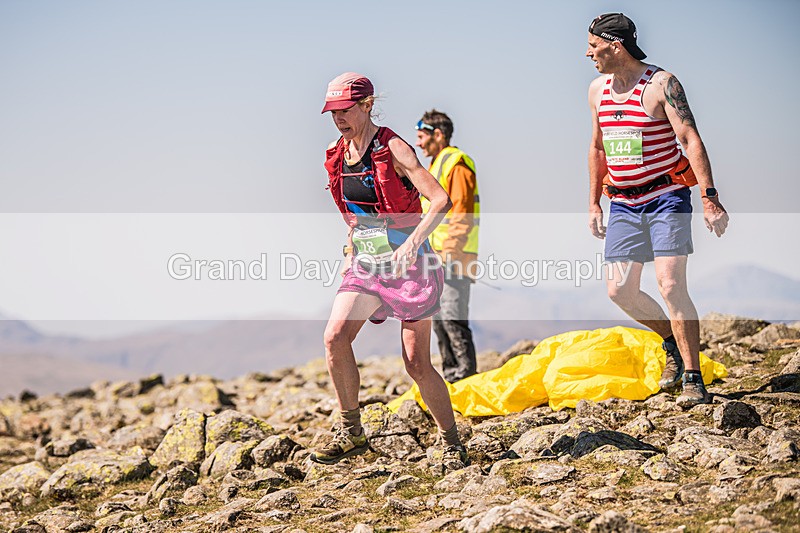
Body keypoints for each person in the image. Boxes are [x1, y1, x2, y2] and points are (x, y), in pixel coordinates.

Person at [312, 72, 467, 469]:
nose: (338, 119)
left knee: (415, 362)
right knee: (334, 336)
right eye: (333, 112)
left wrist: (414, 243)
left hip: (411, 264)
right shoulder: (335, 152)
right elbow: (353, 211)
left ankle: (451, 441)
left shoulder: (394, 148)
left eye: (345, 110)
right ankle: (351, 432)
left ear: (366, 105)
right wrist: (351, 245)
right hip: (366, 263)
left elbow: (440, 199)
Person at [585, 14, 729, 408]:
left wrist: (709, 197)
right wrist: (593, 200)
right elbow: (598, 147)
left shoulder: (662, 84)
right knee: (619, 290)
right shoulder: (597, 90)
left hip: (667, 196)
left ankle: (693, 376)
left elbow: (690, 138)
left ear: (615, 45)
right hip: (623, 203)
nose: (588, 53)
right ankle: (671, 343)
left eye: (593, 46)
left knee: (669, 285)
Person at [415, 110, 479, 383]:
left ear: (438, 135)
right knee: (439, 322)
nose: (418, 144)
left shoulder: (456, 164)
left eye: (421, 137)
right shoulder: (436, 166)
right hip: (434, 258)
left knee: (453, 319)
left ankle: (466, 378)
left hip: (452, 257)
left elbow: (462, 212)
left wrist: (450, 252)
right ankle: (453, 379)